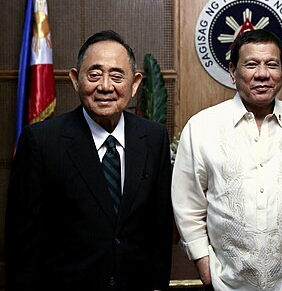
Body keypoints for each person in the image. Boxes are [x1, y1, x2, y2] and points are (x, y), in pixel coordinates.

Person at [171, 29, 282, 290]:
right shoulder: (201, 128)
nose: (262, 73)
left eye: (272, 64)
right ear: (232, 70)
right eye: (251, 64)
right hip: (227, 284)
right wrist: (206, 273)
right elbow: (188, 208)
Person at [5, 30, 173, 291]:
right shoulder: (42, 142)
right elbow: (22, 241)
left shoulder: (153, 138)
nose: (105, 86)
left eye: (117, 76)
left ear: (135, 83)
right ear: (75, 79)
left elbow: (159, 230)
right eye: (94, 75)